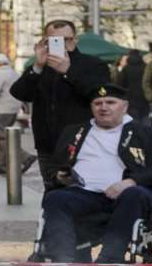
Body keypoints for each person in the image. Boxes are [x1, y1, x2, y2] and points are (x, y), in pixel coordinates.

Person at [35, 82, 152, 266]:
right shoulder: (76, 132)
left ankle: (107, 261)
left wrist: (130, 182)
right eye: (98, 103)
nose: (103, 107)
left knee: (133, 194)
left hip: (128, 196)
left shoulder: (144, 133)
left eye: (110, 102)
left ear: (124, 106)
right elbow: (55, 164)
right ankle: (62, 265)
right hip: (84, 194)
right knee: (55, 198)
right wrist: (61, 177)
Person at [9, 18, 110, 188]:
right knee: (51, 192)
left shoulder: (93, 64)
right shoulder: (42, 66)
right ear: (45, 41)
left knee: (82, 191)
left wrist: (68, 72)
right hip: (47, 143)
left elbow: (99, 95)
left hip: (81, 143)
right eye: (55, 40)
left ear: (75, 40)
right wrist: (37, 67)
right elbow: (19, 93)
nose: (62, 45)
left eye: (67, 40)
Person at [0, 52, 29, 176]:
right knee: (4, 135)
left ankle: (24, 157)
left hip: (1, 109)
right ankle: (1, 165)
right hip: (12, 108)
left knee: (1, 137)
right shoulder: (13, 73)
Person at [117, 49, 150, 126]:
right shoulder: (145, 67)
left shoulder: (126, 68)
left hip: (130, 97)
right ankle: (146, 135)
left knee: (134, 119)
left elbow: (120, 83)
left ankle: (137, 135)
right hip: (144, 97)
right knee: (145, 117)